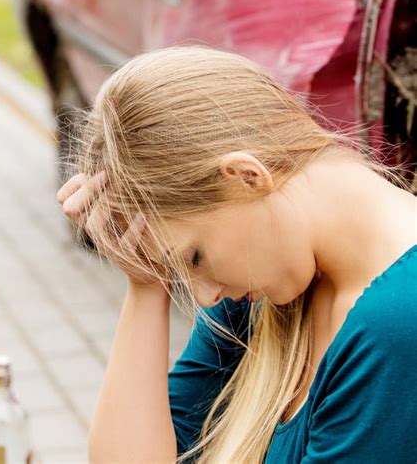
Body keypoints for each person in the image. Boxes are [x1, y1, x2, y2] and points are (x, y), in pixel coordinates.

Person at [56, 45, 417, 463]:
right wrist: (146, 283)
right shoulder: (265, 284)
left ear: (246, 177)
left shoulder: (398, 322)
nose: (205, 296)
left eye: (193, 259)